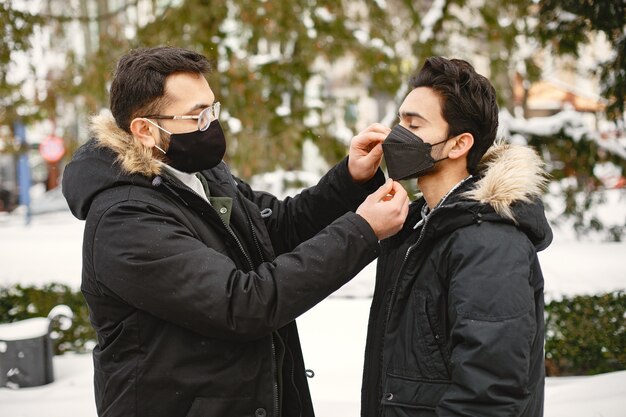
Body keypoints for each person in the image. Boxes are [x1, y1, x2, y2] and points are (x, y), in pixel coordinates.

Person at [62, 46, 409, 417]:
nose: (211, 124)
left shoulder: (198, 174)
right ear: (145, 130)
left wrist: (349, 179)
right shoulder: (125, 219)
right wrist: (362, 231)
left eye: (213, 109)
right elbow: (242, 304)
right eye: (197, 116)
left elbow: (275, 228)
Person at [361, 57, 553, 417]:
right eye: (399, 120)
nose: (395, 135)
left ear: (458, 144)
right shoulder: (416, 228)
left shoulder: (489, 243)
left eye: (413, 124)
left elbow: (489, 396)